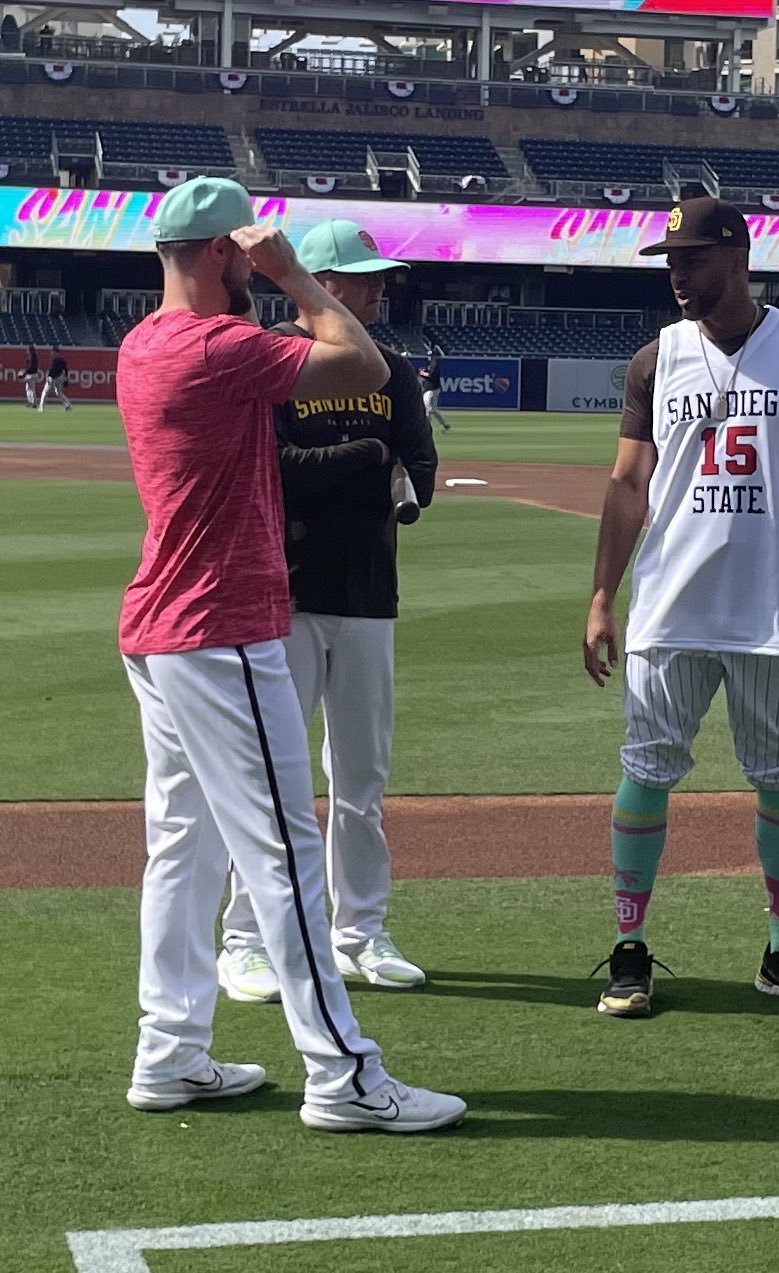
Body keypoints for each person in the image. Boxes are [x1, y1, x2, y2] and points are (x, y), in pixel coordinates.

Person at [115, 176, 464, 1133]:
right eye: (244, 249)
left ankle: (171, 1050)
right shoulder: (217, 344)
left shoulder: (144, 341)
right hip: (223, 623)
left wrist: (260, 268)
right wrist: (295, 273)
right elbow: (363, 366)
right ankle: (344, 1073)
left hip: (162, 625)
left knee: (185, 845)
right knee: (282, 845)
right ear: (226, 252)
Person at [582, 197, 779, 1018]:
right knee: (645, 771)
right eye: (669, 262)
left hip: (776, 603)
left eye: (690, 259)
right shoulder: (656, 358)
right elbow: (624, 485)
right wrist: (602, 596)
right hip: (671, 605)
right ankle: (628, 945)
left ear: (737, 256)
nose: (676, 275)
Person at [218, 218, 437, 1001]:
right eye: (368, 277)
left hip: (370, 593)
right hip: (289, 592)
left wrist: (371, 467)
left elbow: (421, 472)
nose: (381, 288)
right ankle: (246, 937)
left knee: (362, 779)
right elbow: (274, 470)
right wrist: (366, 459)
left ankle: (360, 932)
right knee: (272, 777)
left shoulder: (392, 373)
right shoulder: (277, 359)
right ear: (328, 284)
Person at [418, 346, 451, 432]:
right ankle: (444, 424)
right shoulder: (431, 366)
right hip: (430, 389)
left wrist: (423, 374)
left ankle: (427, 426)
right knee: (431, 408)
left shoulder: (436, 367)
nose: (429, 357)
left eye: (430, 356)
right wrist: (423, 372)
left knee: (428, 408)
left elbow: (432, 377)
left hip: (432, 390)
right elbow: (427, 373)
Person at [38, 346, 71, 412]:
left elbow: (51, 369)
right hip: (59, 377)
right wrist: (66, 377)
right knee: (59, 393)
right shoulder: (62, 359)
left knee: (45, 392)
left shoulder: (53, 359)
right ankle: (68, 405)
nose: (51, 352)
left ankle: (41, 408)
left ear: (55, 351)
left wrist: (48, 377)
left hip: (52, 377)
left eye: (52, 351)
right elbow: (66, 369)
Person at [23, 343, 39, 408]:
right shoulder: (34, 357)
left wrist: (25, 373)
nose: (27, 351)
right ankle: (31, 402)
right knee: (29, 388)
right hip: (33, 374)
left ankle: (33, 402)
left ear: (30, 350)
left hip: (31, 374)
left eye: (28, 350)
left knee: (31, 389)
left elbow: (31, 367)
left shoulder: (32, 358)